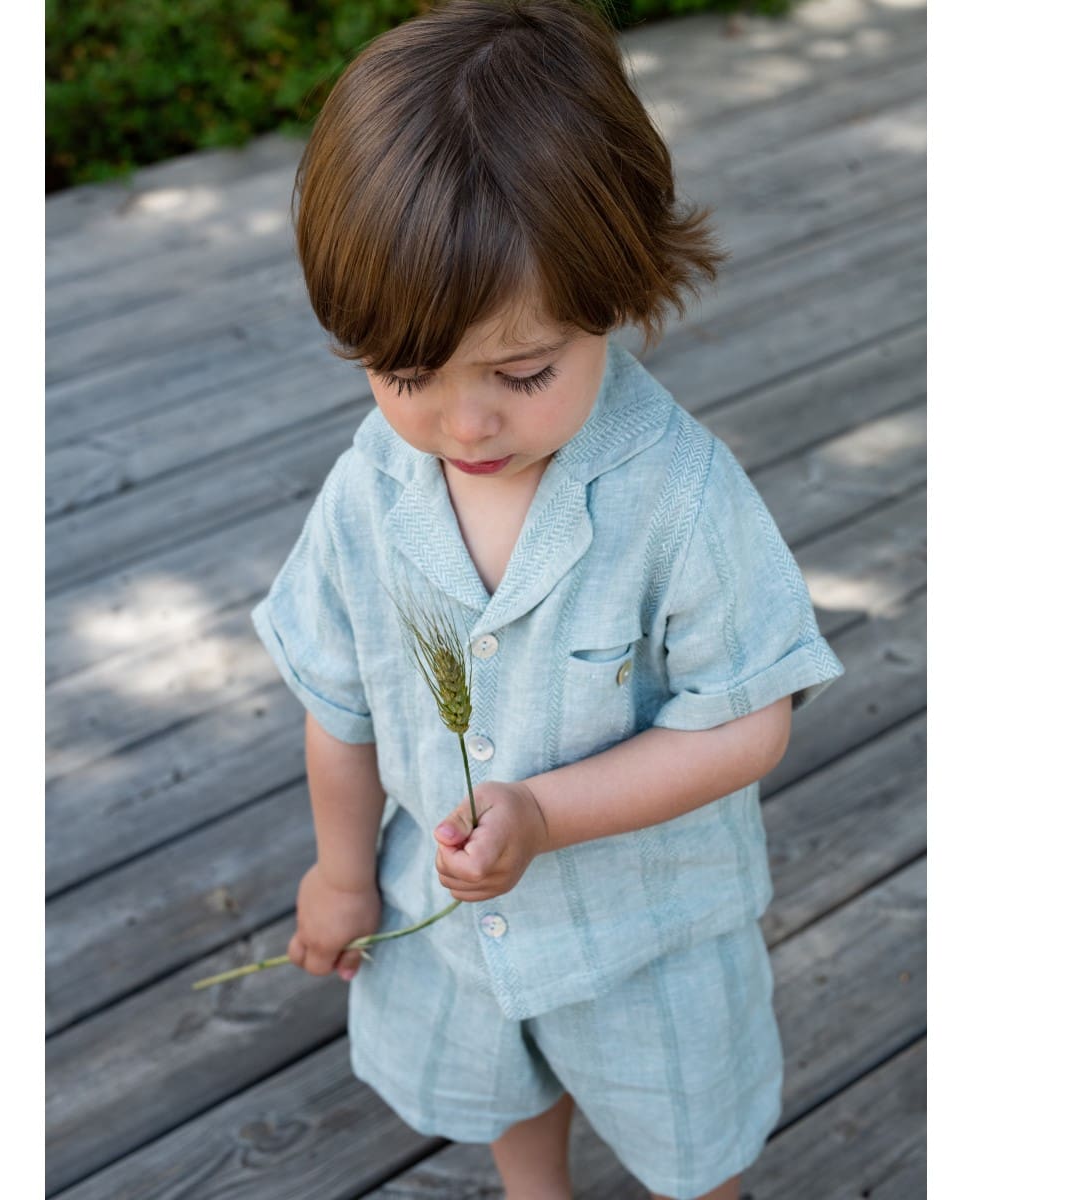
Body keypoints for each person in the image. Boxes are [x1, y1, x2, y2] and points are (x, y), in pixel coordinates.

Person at [252, 2, 844, 1197]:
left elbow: (747, 722)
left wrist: (545, 812)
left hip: (648, 938)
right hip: (453, 930)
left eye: (522, 373)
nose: (464, 423)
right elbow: (339, 697)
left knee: (691, 1144)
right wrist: (344, 871)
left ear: (614, 294)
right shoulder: (373, 484)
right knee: (504, 1090)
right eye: (407, 373)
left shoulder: (678, 498)